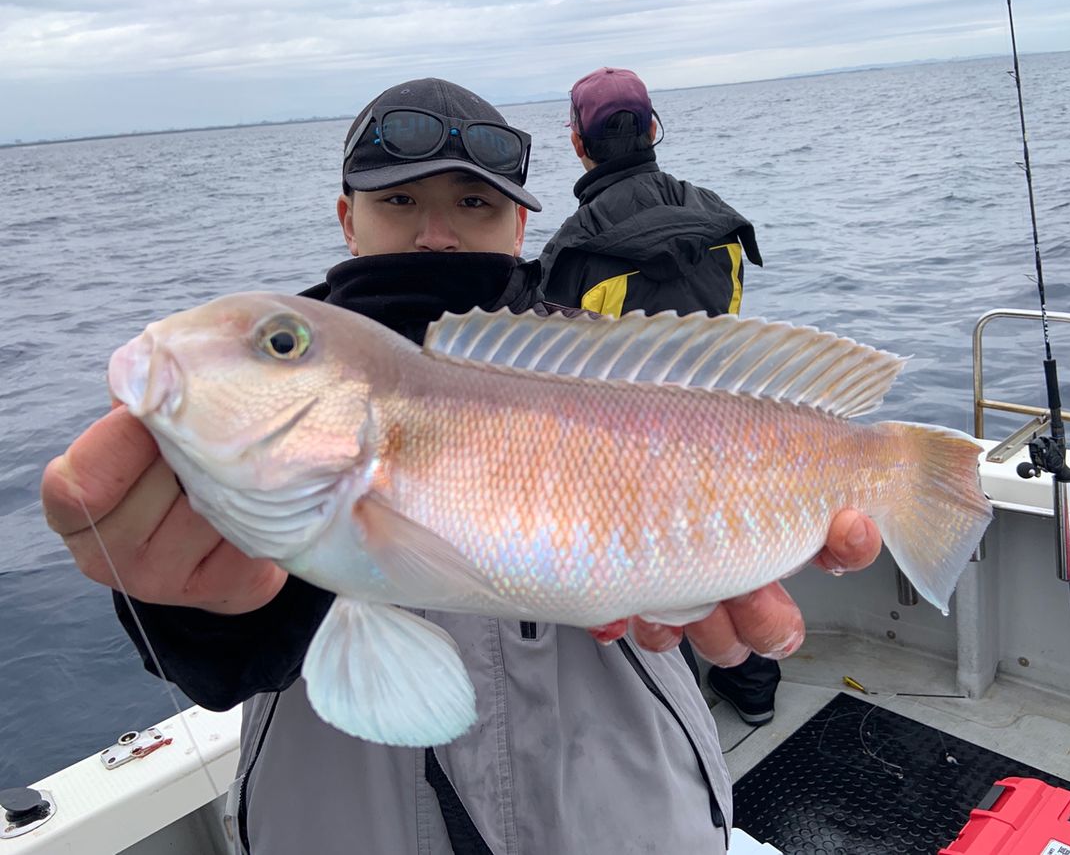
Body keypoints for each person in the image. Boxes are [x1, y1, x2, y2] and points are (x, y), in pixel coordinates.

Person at [41, 77, 881, 854]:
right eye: (400, 199)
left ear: (518, 226)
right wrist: (187, 605)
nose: (435, 232)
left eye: (474, 203)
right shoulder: (258, 405)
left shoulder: (592, 359)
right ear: (347, 218)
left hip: (615, 802)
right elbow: (224, 665)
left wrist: (714, 544)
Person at [540, 66, 783, 726]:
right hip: (722, 424)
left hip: (630, 452)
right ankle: (756, 692)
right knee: (733, 557)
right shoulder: (718, 214)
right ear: (651, 129)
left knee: (658, 591)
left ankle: (678, 712)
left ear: (577, 143)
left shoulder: (572, 247)